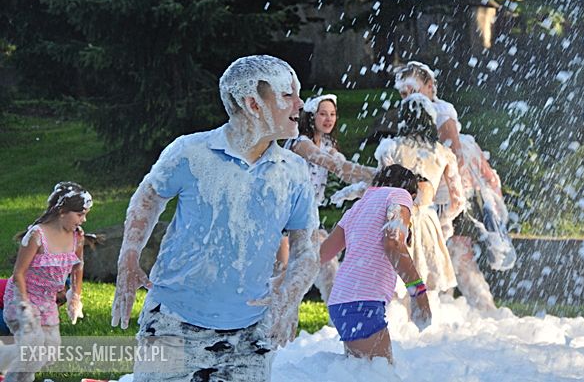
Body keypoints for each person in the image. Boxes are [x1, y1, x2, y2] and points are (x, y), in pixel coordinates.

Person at [110, 55, 319, 382]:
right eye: (288, 95)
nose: (301, 103)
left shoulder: (293, 172)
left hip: (250, 335)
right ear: (252, 103)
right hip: (173, 322)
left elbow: (306, 248)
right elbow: (148, 197)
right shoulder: (191, 152)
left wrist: (290, 294)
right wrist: (129, 255)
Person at [393, 61, 515, 311]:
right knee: (441, 257)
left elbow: (453, 158)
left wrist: (446, 202)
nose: (408, 98)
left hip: (449, 196)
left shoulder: (440, 113)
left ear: (429, 87)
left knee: (456, 255)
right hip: (433, 198)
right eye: (403, 94)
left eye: (412, 92)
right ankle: (450, 310)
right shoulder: (416, 113)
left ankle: (484, 310)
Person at [320, 164, 431, 363]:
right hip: (362, 303)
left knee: (362, 373)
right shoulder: (399, 195)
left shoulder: (360, 205)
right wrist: (418, 292)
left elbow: (322, 254)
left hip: (342, 301)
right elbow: (393, 243)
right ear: (412, 194)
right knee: (380, 375)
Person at [374, 94, 464, 321]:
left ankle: (396, 332)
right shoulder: (443, 154)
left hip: (397, 217)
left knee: (395, 280)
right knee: (426, 282)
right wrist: (443, 221)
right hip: (427, 220)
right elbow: (458, 201)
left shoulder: (390, 147)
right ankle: (424, 330)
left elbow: (381, 188)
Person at [281, 93, 376, 304]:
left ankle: (337, 318)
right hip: (283, 217)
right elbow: (334, 166)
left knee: (328, 266)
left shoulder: (326, 144)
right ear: (311, 116)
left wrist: (376, 176)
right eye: (323, 114)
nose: (329, 119)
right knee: (283, 277)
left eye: (332, 114)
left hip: (307, 217)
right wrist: (377, 173)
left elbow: (345, 170)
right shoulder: (301, 144)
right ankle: (268, 327)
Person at [2, 182, 90, 381]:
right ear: (62, 210)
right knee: (32, 349)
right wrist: (24, 307)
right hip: (21, 298)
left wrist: (75, 297)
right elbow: (18, 274)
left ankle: (5, 358)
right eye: (80, 214)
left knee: (50, 351)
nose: (83, 220)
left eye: (85, 214)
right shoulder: (36, 235)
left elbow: (78, 266)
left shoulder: (77, 237)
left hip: (47, 302)